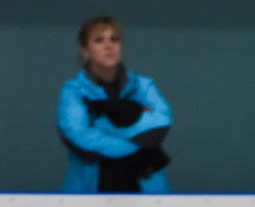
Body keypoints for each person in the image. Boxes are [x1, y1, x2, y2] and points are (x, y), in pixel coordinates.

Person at [57, 16, 172, 193]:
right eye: (99, 40)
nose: (108, 45)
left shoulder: (143, 85)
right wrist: (137, 140)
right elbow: (78, 135)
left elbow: (160, 123)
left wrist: (101, 124)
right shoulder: (73, 91)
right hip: (90, 192)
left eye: (114, 39)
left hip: (147, 190)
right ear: (86, 50)